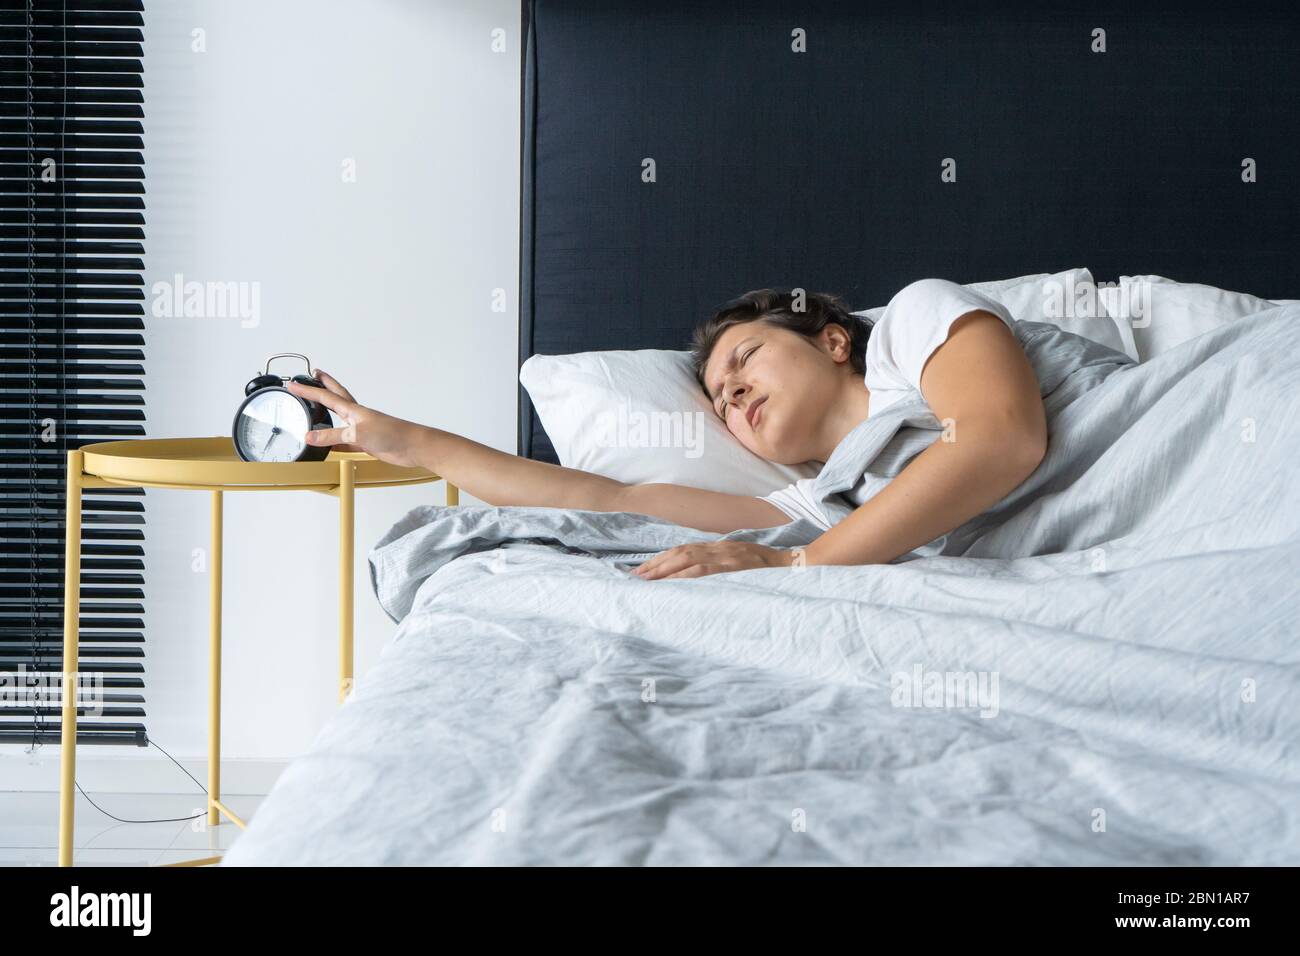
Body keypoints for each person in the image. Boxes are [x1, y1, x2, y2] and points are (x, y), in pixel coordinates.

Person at [287, 278, 1047, 580]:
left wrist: (793, 568)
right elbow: (601, 498)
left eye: (746, 359)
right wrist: (399, 439)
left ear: (833, 340)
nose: (733, 393)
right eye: (719, 402)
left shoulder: (912, 325)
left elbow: (998, 438)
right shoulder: (828, 507)